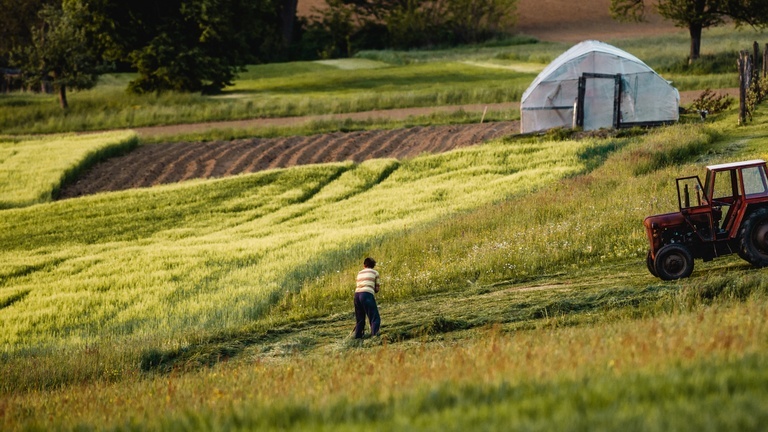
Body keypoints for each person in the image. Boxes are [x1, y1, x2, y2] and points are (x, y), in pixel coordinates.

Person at [354, 257, 381, 339]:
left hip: (357, 295)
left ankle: (358, 337)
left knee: (360, 319)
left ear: (364, 265)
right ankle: (375, 336)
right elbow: (376, 289)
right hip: (366, 295)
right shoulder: (375, 273)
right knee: (374, 317)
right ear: (373, 265)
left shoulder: (359, 273)